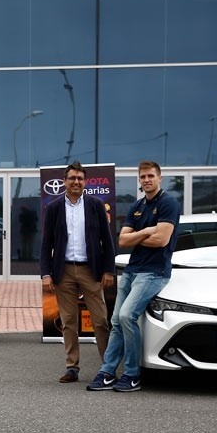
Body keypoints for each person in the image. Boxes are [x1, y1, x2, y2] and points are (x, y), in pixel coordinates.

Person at [87, 160, 180, 393]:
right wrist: (148, 230)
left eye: (150, 176)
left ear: (160, 178)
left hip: (153, 273)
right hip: (131, 270)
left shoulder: (169, 204)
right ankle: (107, 372)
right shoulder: (137, 206)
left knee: (127, 316)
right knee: (116, 320)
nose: (146, 180)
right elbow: (122, 240)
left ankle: (131, 375)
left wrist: (138, 236)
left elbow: (162, 240)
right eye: (143, 177)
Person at [39, 161, 116, 383]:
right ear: (64, 181)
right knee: (68, 321)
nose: (76, 182)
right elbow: (46, 244)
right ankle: (72, 367)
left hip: (90, 271)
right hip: (63, 271)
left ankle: (107, 367)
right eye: (72, 178)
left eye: (80, 178)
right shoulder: (53, 208)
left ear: (85, 182)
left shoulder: (95, 205)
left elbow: (107, 241)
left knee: (101, 320)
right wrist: (46, 274)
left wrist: (108, 270)